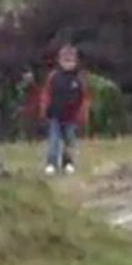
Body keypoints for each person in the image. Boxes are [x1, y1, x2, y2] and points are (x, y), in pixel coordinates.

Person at [39, 44, 92, 175]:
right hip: (55, 115)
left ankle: (67, 163)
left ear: (76, 62)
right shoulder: (54, 77)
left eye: (71, 61)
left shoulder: (79, 79)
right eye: (65, 61)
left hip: (71, 117)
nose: (68, 64)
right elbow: (46, 94)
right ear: (60, 61)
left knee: (69, 141)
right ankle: (51, 163)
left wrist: (83, 115)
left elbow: (84, 98)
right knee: (54, 141)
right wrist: (44, 109)